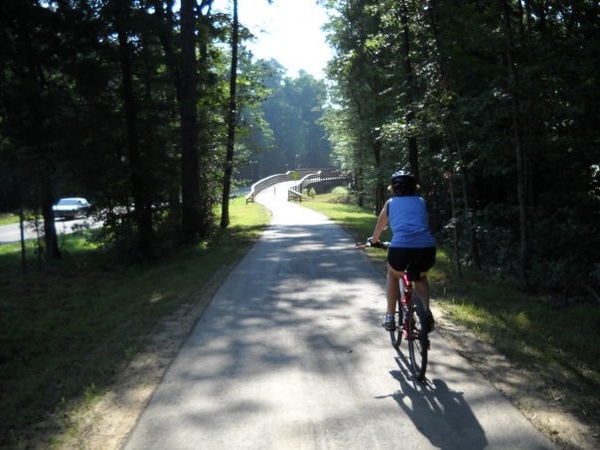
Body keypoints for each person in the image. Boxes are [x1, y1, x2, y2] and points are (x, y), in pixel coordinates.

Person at [368, 169, 436, 332]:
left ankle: (390, 318)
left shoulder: (390, 203)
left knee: (393, 274)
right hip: (426, 248)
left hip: (400, 249)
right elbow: (425, 224)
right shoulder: (422, 202)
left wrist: (374, 241)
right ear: (415, 187)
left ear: (393, 188)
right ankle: (426, 312)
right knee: (421, 277)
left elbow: (380, 226)